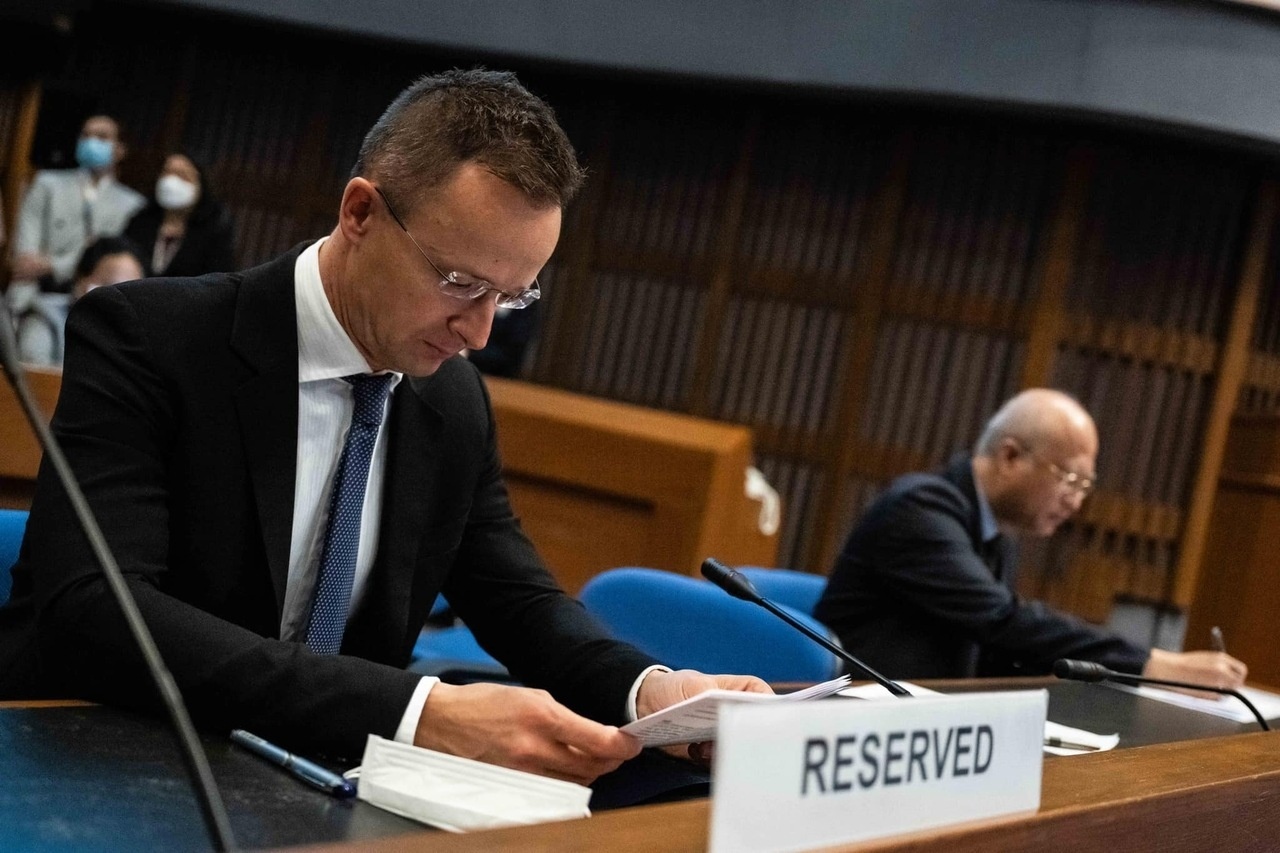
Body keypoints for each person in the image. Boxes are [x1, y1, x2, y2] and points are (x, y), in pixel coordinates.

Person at [0, 69, 767, 786]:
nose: (478, 332)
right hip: (89, 760)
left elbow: (518, 599)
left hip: (304, 788)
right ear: (360, 212)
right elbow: (96, 610)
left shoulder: (452, 400)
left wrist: (650, 690)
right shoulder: (151, 337)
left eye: (511, 297)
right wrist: (416, 711)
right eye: (460, 282)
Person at [815, 388, 1249, 690]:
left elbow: (997, 649)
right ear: (1010, 456)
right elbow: (1002, 620)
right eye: (1070, 479)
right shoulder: (920, 509)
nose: (1075, 502)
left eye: (1085, 486)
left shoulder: (995, 533)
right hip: (854, 725)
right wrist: (1154, 664)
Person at [8, 115, 145, 307]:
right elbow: (27, 239)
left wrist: (53, 266)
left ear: (120, 150)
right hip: (34, 292)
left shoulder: (132, 204)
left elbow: (110, 257)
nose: (91, 142)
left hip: (89, 299)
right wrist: (29, 264)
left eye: (102, 137)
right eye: (86, 135)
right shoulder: (47, 183)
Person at [13, 235, 144, 365]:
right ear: (80, 280)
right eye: (112, 291)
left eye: (131, 296)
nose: (121, 304)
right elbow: (35, 373)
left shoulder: (141, 339)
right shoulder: (44, 317)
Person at [124, 151, 236, 278]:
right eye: (167, 172)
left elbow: (218, 277)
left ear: (201, 185)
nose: (171, 181)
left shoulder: (214, 231)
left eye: (183, 175)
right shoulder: (140, 222)